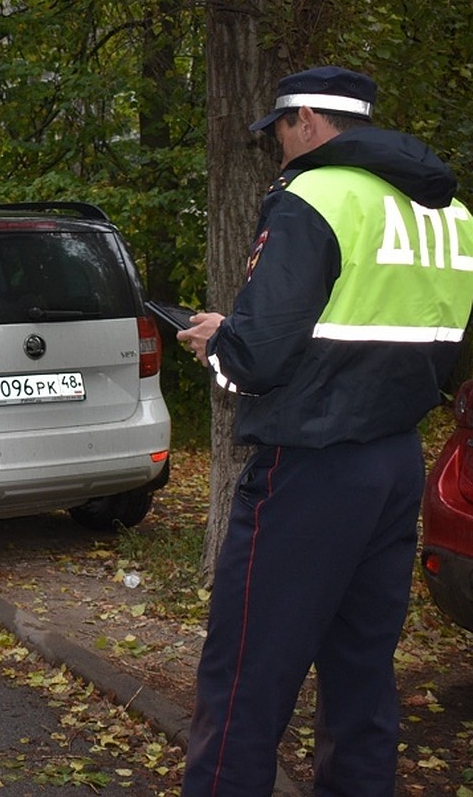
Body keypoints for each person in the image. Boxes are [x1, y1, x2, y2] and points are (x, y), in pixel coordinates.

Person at [176, 65, 473, 796]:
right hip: (397, 460)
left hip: (307, 468)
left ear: (305, 119)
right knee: (363, 675)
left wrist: (219, 341)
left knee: (246, 675)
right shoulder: (450, 213)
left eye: (279, 130)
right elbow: (441, 345)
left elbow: (259, 356)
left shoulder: (314, 196)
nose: (279, 147)